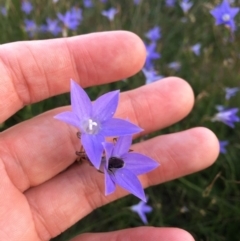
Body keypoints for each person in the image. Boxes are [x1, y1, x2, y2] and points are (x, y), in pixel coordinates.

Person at [0, 31, 219, 241]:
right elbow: (98, 135)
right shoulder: (91, 134)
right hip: (90, 136)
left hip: (98, 148)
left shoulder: (108, 154)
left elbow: (112, 151)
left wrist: (100, 156)